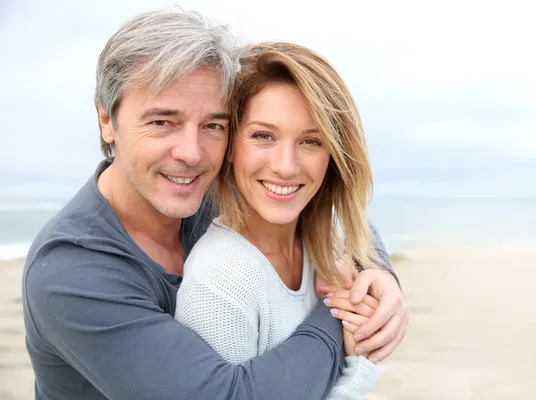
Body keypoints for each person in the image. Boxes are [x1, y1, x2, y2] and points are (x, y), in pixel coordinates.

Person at [22, 9, 408, 400]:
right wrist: (337, 311)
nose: (191, 154)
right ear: (108, 120)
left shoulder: (207, 187)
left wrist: (379, 273)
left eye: (213, 126)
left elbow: (322, 209)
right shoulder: (70, 271)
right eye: (162, 122)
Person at [175, 41, 390, 399]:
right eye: (264, 136)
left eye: (311, 141)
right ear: (231, 145)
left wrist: (381, 280)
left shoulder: (330, 243)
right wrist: (359, 367)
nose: (286, 166)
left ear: (334, 156)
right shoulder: (221, 280)